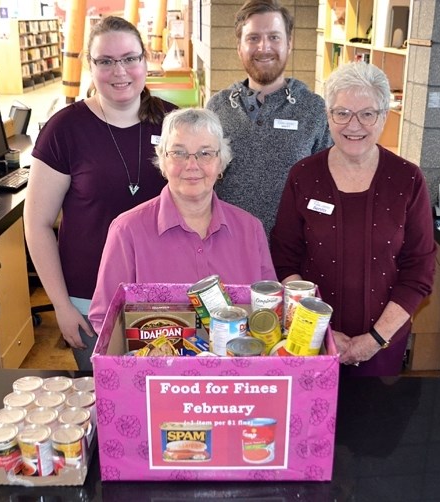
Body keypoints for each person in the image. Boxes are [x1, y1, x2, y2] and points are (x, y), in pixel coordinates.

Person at [24, 17, 177, 370]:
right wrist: (61, 306)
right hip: (87, 300)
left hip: (164, 297)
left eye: (129, 58)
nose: (119, 71)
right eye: (105, 61)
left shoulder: (173, 123)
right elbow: (37, 224)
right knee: (104, 405)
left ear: (145, 61)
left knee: (161, 400)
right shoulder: (64, 129)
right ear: (90, 66)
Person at [270, 62, 436, 377]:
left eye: (367, 114)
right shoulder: (303, 176)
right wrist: (321, 331)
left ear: (385, 116)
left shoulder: (408, 179)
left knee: (375, 424)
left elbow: (420, 271)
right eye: (342, 113)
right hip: (311, 342)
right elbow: (284, 259)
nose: (353, 125)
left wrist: (374, 340)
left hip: (383, 345)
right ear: (328, 116)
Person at [88, 108, 276, 332]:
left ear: (221, 163)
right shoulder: (127, 231)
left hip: (237, 365)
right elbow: (105, 319)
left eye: (205, 153)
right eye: (179, 153)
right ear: (162, 161)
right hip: (156, 366)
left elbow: (270, 310)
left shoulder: (251, 229)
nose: (191, 165)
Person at [206, 0, 332, 236]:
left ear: (289, 44)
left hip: (293, 255)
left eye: (274, 37)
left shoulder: (314, 110)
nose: (264, 47)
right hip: (227, 249)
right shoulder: (217, 109)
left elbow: (326, 187)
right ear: (239, 47)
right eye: (253, 38)